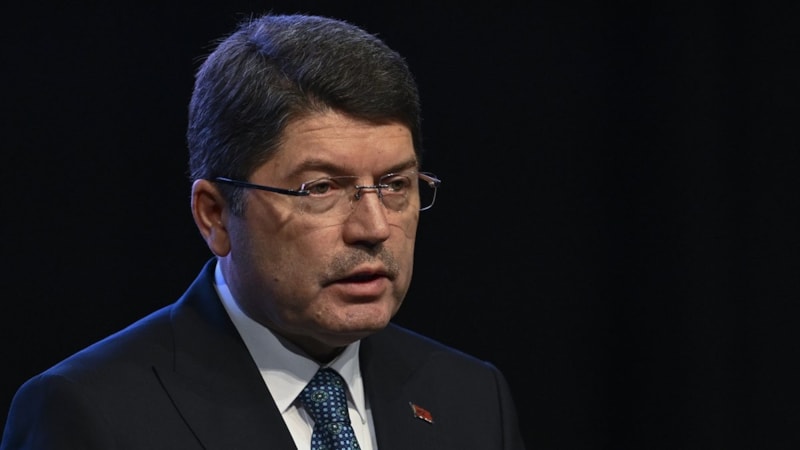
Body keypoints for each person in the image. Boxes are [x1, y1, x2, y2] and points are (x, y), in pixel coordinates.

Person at [1, 13, 526, 449]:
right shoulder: (89, 412)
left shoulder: (472, 398)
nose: (374, 227)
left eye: (394, 185)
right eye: (320, 188)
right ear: (214, 215)